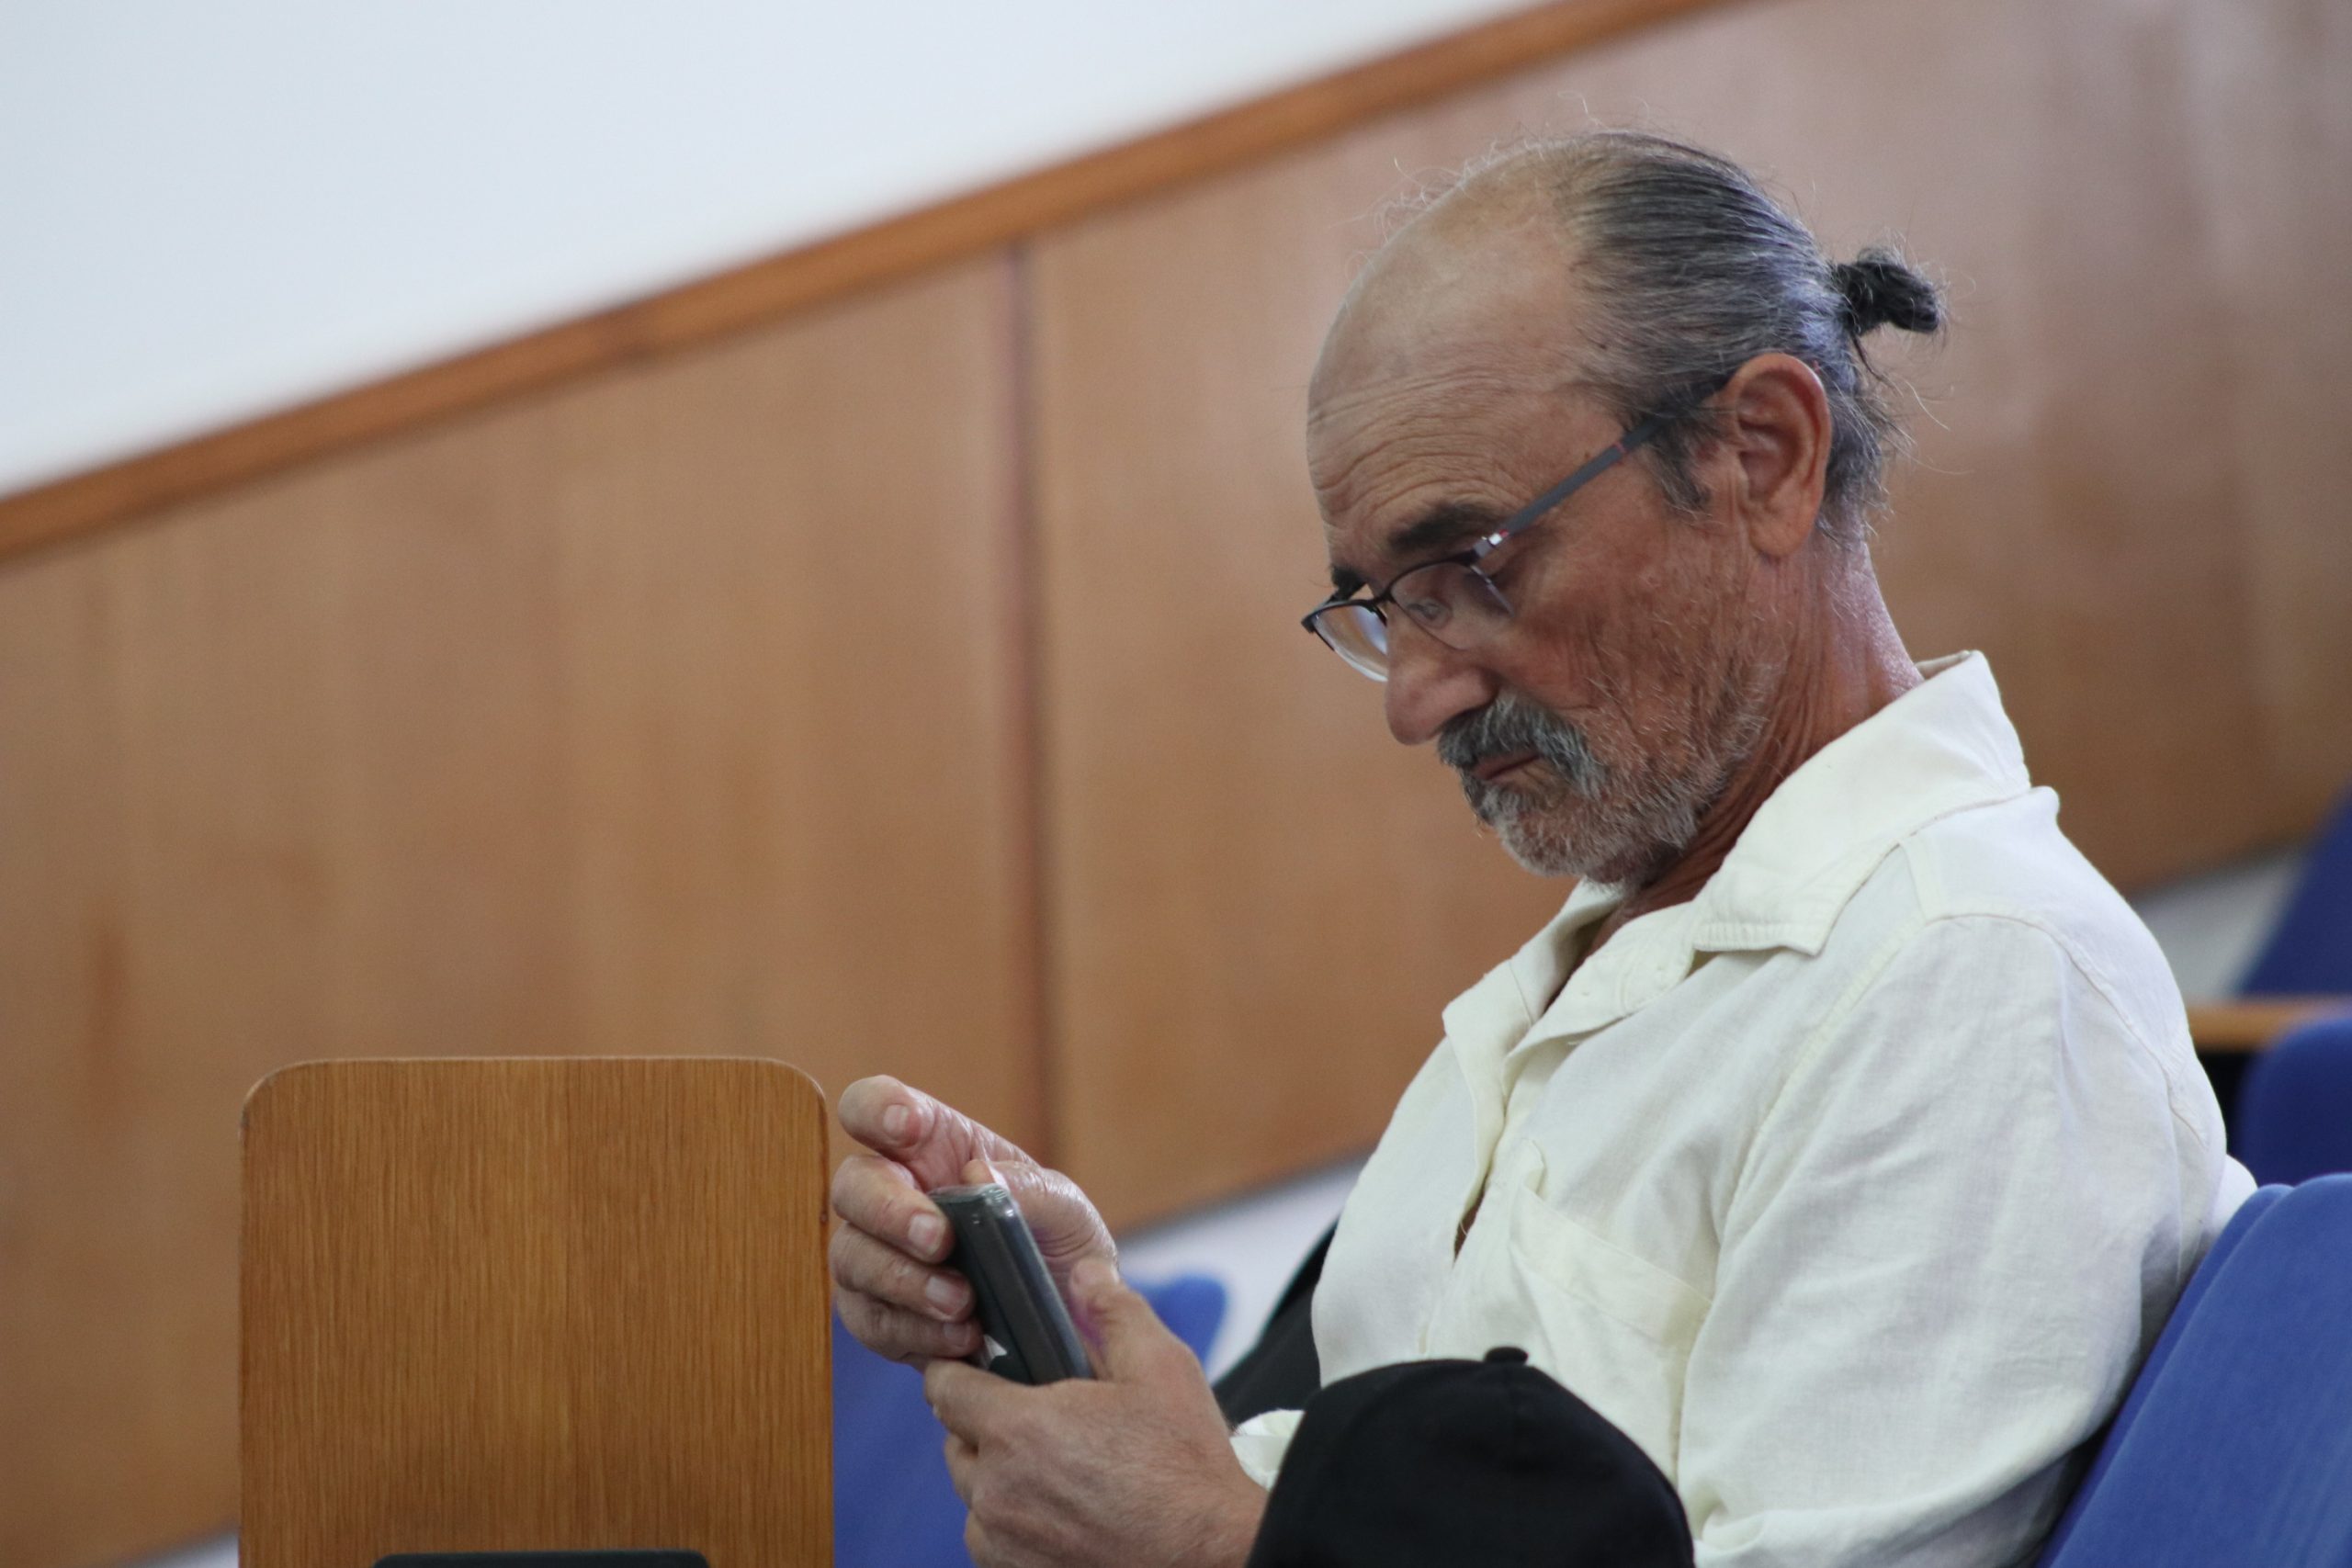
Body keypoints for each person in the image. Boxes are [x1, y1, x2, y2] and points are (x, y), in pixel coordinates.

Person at [826, 130, 2253, 1567]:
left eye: (1473, 567)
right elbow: (1400, 1514)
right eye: (1386, 605)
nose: (1415, 698)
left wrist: (1207, 1540)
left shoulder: (1966, 976)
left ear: (1764, 456)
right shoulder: (1614, 959)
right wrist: (1101, 1364)